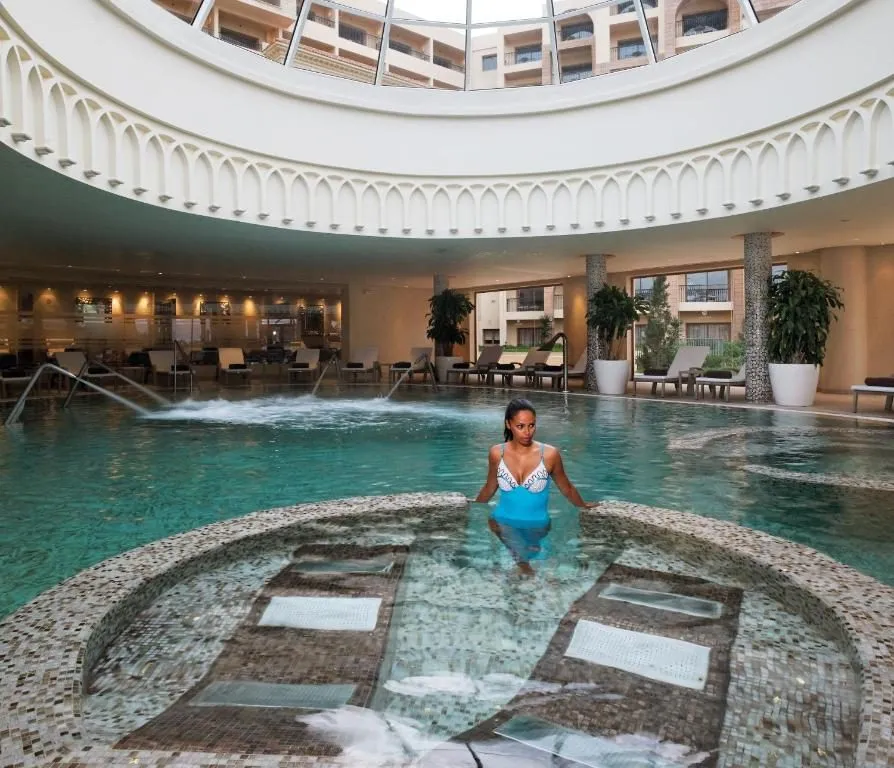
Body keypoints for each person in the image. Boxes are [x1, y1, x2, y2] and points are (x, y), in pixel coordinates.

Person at [471, 398, 598, 574]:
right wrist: (473, 505)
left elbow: (567, 488)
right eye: (520, 426)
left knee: (535, 571)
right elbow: (489, 487)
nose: (527, 432)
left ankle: (522, 563)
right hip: (503, 522)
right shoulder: (496, 453)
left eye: (531, 425)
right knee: (515, 572)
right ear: (508, 424)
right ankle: (522, 563)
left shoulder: (549, 454)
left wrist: (583, 505)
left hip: (537, 526)